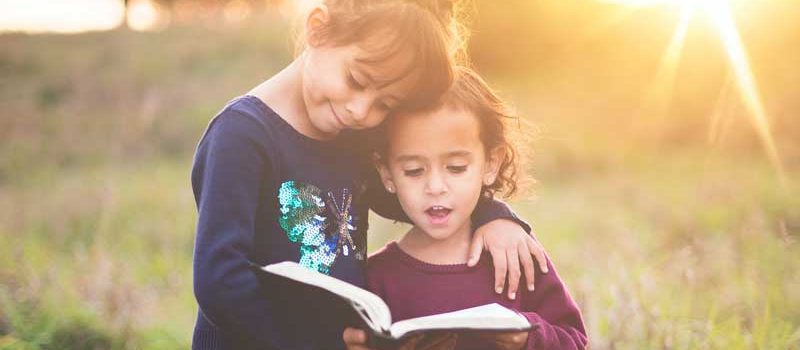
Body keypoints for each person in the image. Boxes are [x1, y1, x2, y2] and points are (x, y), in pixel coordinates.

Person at [190, 1, 548, 349]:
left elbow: (416, 198)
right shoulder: (242, 136)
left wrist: (496, 217)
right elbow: (220, 281)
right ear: (318, 28)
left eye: (385, 104)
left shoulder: (351, 137)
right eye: (357, 80)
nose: (361, 111)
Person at [343, 67, 587, 350]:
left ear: (491, 164)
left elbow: (576, 341)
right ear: (386, 174)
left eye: (456, 168)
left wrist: (528, 337)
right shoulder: (377, 277)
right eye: (413, 170)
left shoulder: (513, 254)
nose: (435, 186)